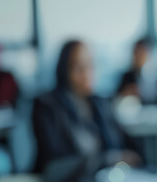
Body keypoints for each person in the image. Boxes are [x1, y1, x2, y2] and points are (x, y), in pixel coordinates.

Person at [32, 40, 140, 181]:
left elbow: (125, 141)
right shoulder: (47, 107)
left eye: (90, 65)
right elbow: (55, 164)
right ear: (64, 69)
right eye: (79, 67)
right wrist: (107, 160)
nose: (87, 73)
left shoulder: (100, 104)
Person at [117, 37, 157, 105]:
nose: (137, 57)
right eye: (135, 54)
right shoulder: (127, 77)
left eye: (141, 54)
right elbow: (117, 98)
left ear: (149, 54)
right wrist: (125, 95)